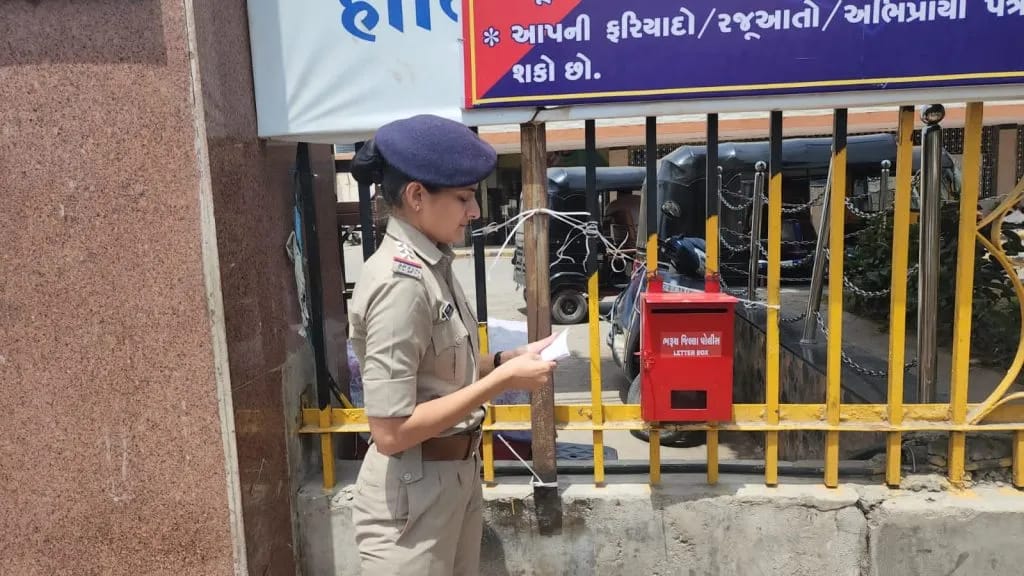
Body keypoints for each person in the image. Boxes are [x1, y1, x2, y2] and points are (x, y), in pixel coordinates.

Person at [348, 114, 557, 575]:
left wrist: (503, 359)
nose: (476, 211)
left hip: (451, 479)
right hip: (411, 496)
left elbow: (440, 370)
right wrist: (502, 380)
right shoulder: (400, 283)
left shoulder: (431, 266)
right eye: (463, 198)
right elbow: (390, 430)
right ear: (417, 196)